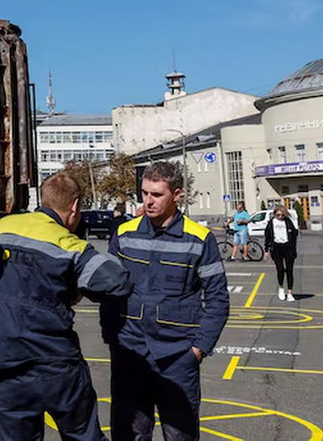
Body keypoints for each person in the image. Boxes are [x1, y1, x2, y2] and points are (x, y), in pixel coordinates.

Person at [0, 172, 132, 441]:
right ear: (74, 206)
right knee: (82, 435)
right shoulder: (69, 244)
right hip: (56, 364)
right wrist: (75, 289)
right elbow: (117, 282)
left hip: (4, 362)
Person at [101, 161, 229, 441]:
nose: (148, 201)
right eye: (145, 193)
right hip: (130, 354)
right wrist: (112, 337)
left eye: (156, 195)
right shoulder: (124, 234)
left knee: (180, 435)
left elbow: (218, 298)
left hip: (177, 357)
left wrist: (198, 350)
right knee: (128, 434)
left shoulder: (199, 239)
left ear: (177, 194)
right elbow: (108, 290)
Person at [264, 205, 299, 302]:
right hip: (276, 248)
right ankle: (281, 288)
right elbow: (267, 237)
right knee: (280, 269)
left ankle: (290, 293)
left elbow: (294, 235)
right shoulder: (271, 223)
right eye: (278, 215)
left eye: (282, 215)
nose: (280, 217)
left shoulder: (288, 222)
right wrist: (266, 250)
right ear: (274, 214)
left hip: (287, 247)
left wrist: (294, 250)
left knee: (289, 270)